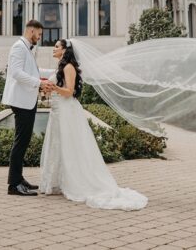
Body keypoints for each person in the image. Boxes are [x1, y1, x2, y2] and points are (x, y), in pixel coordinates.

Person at [39, 39, 148, 210]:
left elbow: (70, 92)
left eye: (57, 47)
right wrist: (47, 90)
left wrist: (53, 87)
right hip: (58, 111)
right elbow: (60, 90)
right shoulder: (60, 67)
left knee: (71, 146)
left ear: (65, 50)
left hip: (67, 111)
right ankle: (57, 182)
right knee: (58, 144)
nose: (54, 48)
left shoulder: (69, 67)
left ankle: (77, 182)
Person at [1, 19, 52, 196]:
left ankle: (19, 179)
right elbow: (16, 73)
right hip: (21, 101)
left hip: (26, 101)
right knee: (21, 141)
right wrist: (39, 83)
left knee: (23, 140)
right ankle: (14, 185)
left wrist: (57, 72)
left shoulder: (27, 48)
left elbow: (35, 71)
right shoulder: (19, 47)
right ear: (31, 31)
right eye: (39, 34)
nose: (40, 37)